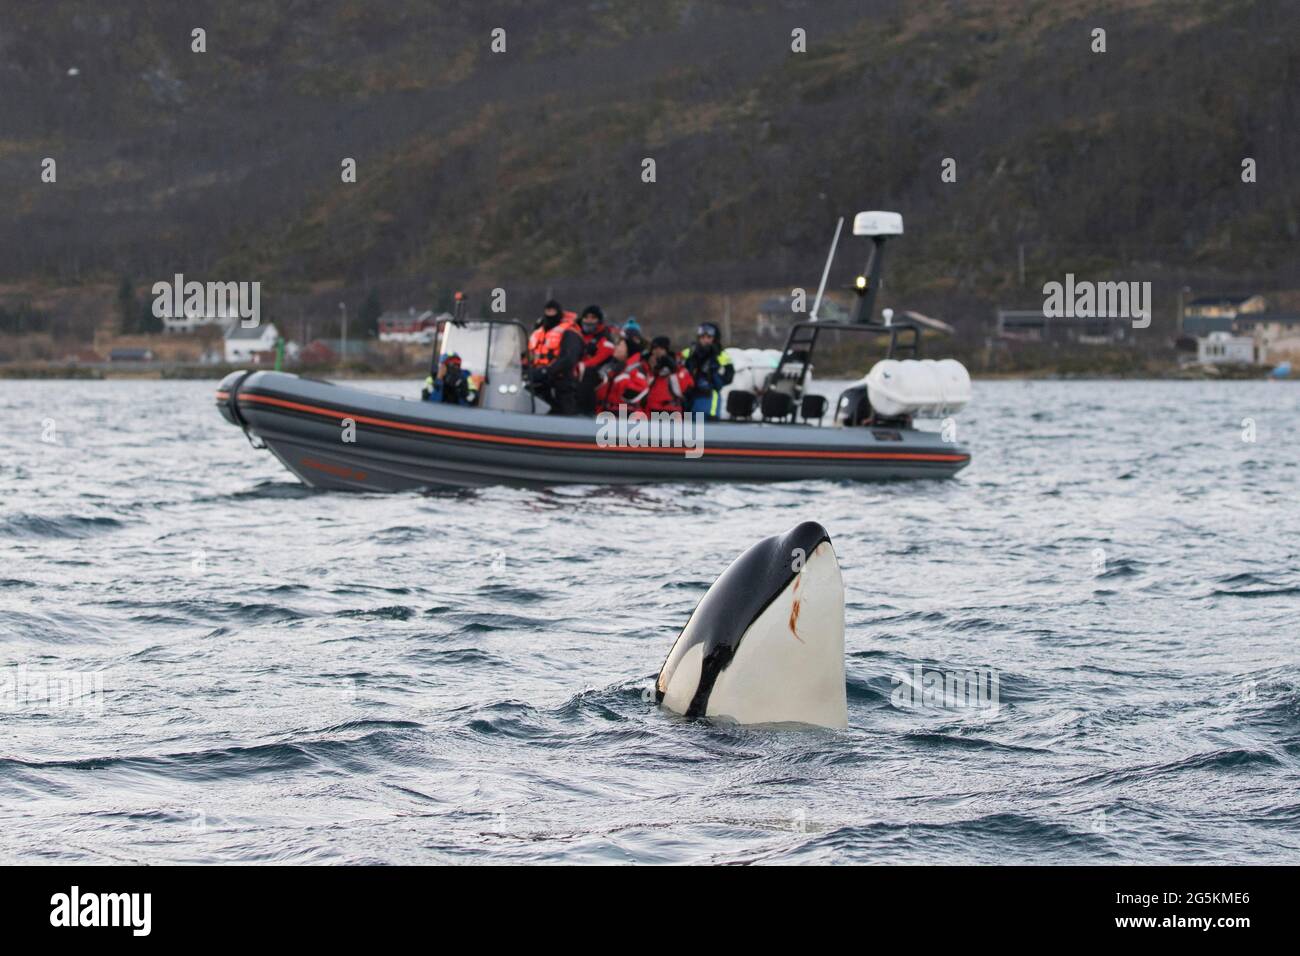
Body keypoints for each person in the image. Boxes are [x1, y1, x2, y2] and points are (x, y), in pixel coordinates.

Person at [529, 304, 584, 415]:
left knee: (564, 411)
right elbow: (527, 355)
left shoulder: (570, 332)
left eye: (552, 311)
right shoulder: (538, 333)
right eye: (548, 311)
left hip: (561, 381)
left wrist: (547, 371)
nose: (550, 315)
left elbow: (568, 358)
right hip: (537, 380)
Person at [679, 321, 734, 419]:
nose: (705, 340)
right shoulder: (690, 352)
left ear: (714, 339)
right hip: (690, 395)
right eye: (702, 337)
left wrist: (714, 377)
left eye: (709, 337)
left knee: (708, 426)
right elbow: (677, 366)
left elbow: (729, 375)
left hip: (709, 396)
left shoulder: (720, 354)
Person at [575, 305, 618, 415]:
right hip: (576, 370)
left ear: (599, 320)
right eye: (586, 317)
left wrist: (579, 365)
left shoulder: (605, 338)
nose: (589, 321)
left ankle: (586, 412)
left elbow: (599, 359)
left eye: (593, 318)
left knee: (588, 375)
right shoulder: (576, 333)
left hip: (595, 375)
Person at [595, 336, 650, 415]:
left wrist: (620, 378)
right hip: (607, 414)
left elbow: (634, 395)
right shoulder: (613, 366)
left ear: (628, 351)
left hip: (627, 418)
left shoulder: (637, 369)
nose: (616, 347)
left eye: (620, 345)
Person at [644, 336, 694, 414]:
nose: (657, 352)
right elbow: (644, 388)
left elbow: (682, 390)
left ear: (666, 350)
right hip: (651, 410)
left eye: (661, 349)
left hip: (671, 411)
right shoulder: (647, 366)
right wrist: (652, 369)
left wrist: (673, 370)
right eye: (654, 349)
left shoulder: (678, 368)